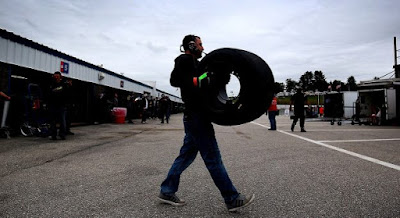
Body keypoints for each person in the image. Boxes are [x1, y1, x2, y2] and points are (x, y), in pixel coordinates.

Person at [158, 34, 254, 212]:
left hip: (195, 116)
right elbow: (185, 82)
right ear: (192, 45)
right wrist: (209, 78)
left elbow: (184, 81)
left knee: (185, 156)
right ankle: (231, 198)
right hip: (197, 118)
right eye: (200, 45)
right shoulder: (185, 60)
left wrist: (215, 78)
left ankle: (167, 190)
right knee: (213, 158)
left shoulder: (191, 63)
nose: (203, 48)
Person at [48, 71, 67, 140]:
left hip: (61, 106)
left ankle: (62, 134)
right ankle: (53, 135)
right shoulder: (51, 84)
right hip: (53, 105)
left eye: (57, 76)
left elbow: (67, 95)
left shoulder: (64, 84)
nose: (56, 77)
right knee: (53, 121)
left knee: (62, 121)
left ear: (60, 77)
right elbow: (48, 94)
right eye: (55, 76)